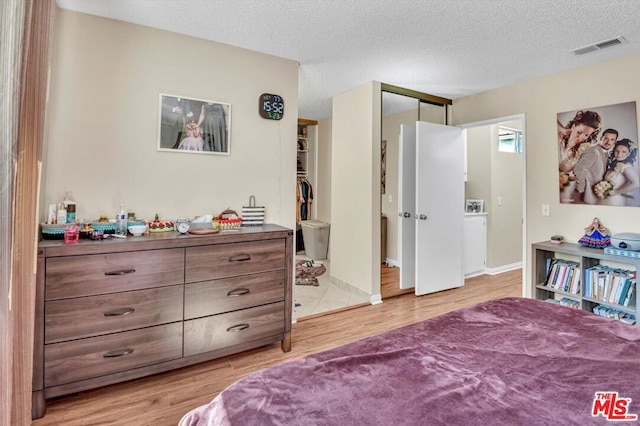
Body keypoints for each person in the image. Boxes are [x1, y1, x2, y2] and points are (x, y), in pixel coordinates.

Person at [557, 110, 601, 200]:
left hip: (561, 189)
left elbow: (579, 173)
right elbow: (547, 118)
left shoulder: (585, 150)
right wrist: (563, 130)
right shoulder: (558, 136)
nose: (581, 138)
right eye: (579, 132)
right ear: (573, 126)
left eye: (586, 135)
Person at [587, 139, 640, 206]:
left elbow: (636, 184)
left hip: (614, 200)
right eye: (617, 151)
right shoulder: (613, 165)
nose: (619, 154)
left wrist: (616, 192)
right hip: (604, 199)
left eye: (624, 152)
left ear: (628, 154)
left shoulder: (626, 168)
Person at [572, 128, 618, 203]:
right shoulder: (593, 151)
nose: (608, 142)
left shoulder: (607, 154)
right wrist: (581, 190)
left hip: (595, 194)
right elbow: (579, 169)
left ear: (615, 142)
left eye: (612, 139)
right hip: (584, 194)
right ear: (601, 138)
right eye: (606, 138)